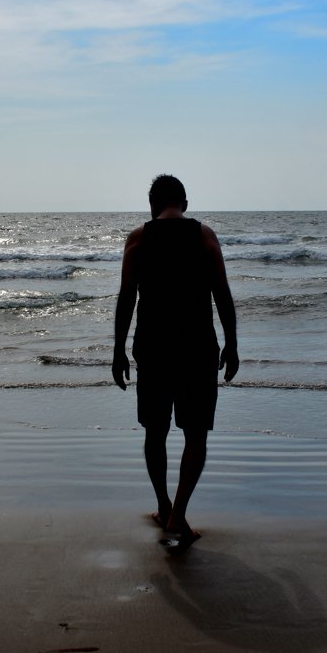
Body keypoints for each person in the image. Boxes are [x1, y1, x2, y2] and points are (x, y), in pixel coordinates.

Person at [112, 175, 239, 550]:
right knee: (195, 433)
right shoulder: (204, 236)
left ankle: (164, 505)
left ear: (152, 203)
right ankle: (178, 513)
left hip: (152, 347)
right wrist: (232, 343)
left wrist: (118, 349)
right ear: (185, 201)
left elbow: (126, 299)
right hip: (197, 347)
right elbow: (222, 293)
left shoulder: (138, 238)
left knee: (156, 431)